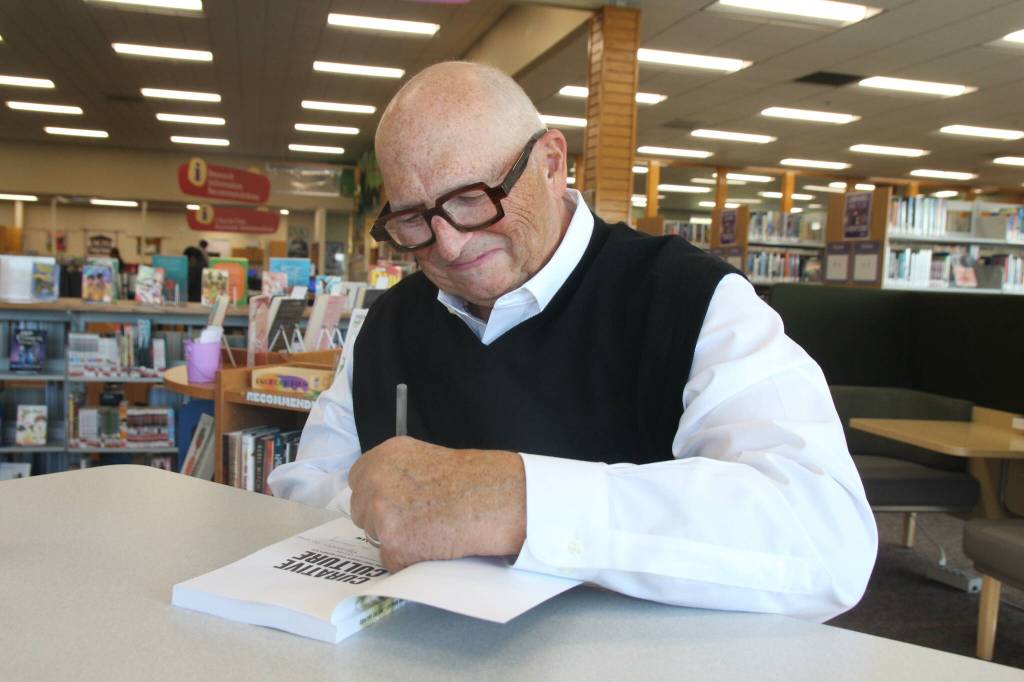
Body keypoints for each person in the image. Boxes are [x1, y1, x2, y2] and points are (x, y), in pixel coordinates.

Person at [268, 61, 877, 622]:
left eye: (472, 200)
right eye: (413, 219)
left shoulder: (694, 300)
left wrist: (519, 502)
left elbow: (826, 539)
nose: (448, 245)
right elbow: (307, 491)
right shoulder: (387, 324)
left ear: (553, 164)